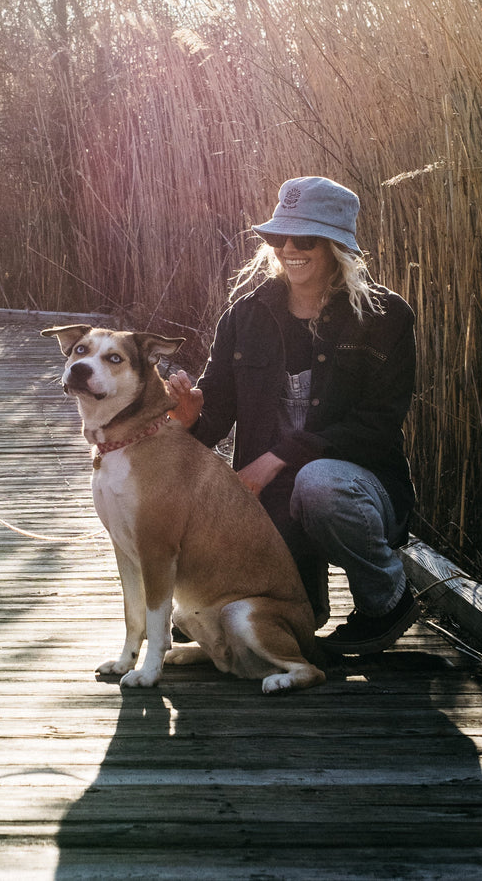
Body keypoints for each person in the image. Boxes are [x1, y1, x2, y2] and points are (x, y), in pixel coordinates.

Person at [167, 176, 419, 656]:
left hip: (355, 487)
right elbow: (216, 410)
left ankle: (386, 602)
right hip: (268, 498)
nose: (288, 248)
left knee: (319, 483)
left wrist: (280, 456)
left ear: (337, 246)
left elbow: (377, 426)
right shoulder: (245, 316)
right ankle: (305, 597)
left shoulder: (386, 317)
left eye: (304, 239)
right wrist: (189, 420)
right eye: (277, 237)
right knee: (292, 620)